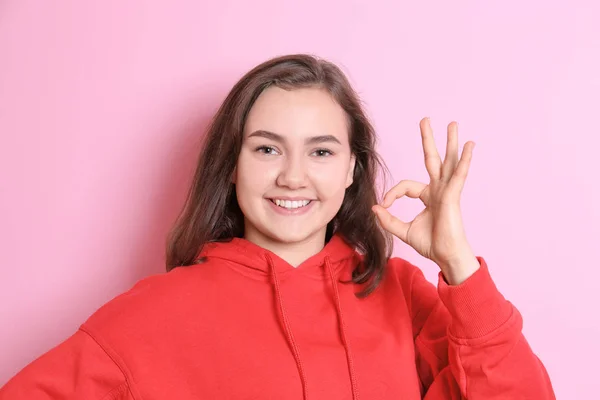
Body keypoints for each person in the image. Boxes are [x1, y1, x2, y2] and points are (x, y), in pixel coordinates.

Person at [0, 54, 556, 399]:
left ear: (350, 169)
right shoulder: (150, 314)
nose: (293, 176)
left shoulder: (404, 295)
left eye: (320, 150)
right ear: (233, 164)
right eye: (267, 148)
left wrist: (459, 267)